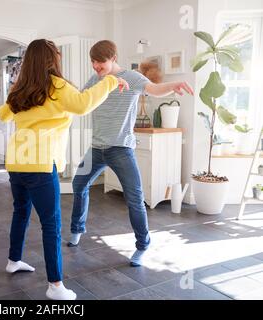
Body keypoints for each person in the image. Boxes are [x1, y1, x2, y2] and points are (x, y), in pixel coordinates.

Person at [0, 39, 129, 300]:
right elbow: (83, 104)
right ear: (52, 58)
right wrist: (112, 81)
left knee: (20, 212)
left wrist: (16, 95)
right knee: (51, 224)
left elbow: (3, 115)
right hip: (40, 164)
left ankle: (13, 260)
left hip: (16, 161)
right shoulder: (57, 86)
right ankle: (55, 286)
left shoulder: (20, 89)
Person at [68, 40, 193, 268]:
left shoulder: (133, 78)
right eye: (93, 61)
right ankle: (77, 229)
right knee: (79, 185)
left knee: (135, 199)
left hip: (121, 149)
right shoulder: (96, 79)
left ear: (113, 58)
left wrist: (174, 84)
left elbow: (154, 90)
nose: (96, 66)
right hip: (97, 148)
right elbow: (79, 99)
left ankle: (142, 245)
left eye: (100, 62)